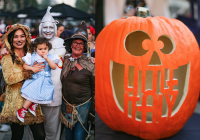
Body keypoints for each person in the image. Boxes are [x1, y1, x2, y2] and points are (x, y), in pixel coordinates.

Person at [0, 24, 46, 140]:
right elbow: (9, 79)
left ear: (26, 37)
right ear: (11, 39)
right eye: (16, 37)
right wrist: (30, 72)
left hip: (31, 99)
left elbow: (46, 46)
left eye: (22, 36)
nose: (19, 39)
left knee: (40, 135)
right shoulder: (7, 56)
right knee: (17, 135)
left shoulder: (32, 52)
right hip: (15, 100)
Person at [60, 21, 95, 140]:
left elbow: (95, 88)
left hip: (84, 106)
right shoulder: (63, 61)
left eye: (81, 44)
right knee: (68, 136)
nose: (78, 46)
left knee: (79, 136)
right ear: (71, 45)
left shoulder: (90, 63)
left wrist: (93, 110)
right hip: (66, 104)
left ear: (84, 47)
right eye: (75, 43)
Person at [16, 37, 59, 123]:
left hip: (45, 81)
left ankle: (33, 105)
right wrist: (32, 68)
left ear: (48, 48)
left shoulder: (50, 57)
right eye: (40, 49)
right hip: (35, 80)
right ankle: (22, 110)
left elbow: (54, 67)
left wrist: (47, 59)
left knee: (44, 93)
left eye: (45, 49)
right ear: (35, 49)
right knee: (32, 94)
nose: (43, 51)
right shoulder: (32, 57)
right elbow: (25, 66)